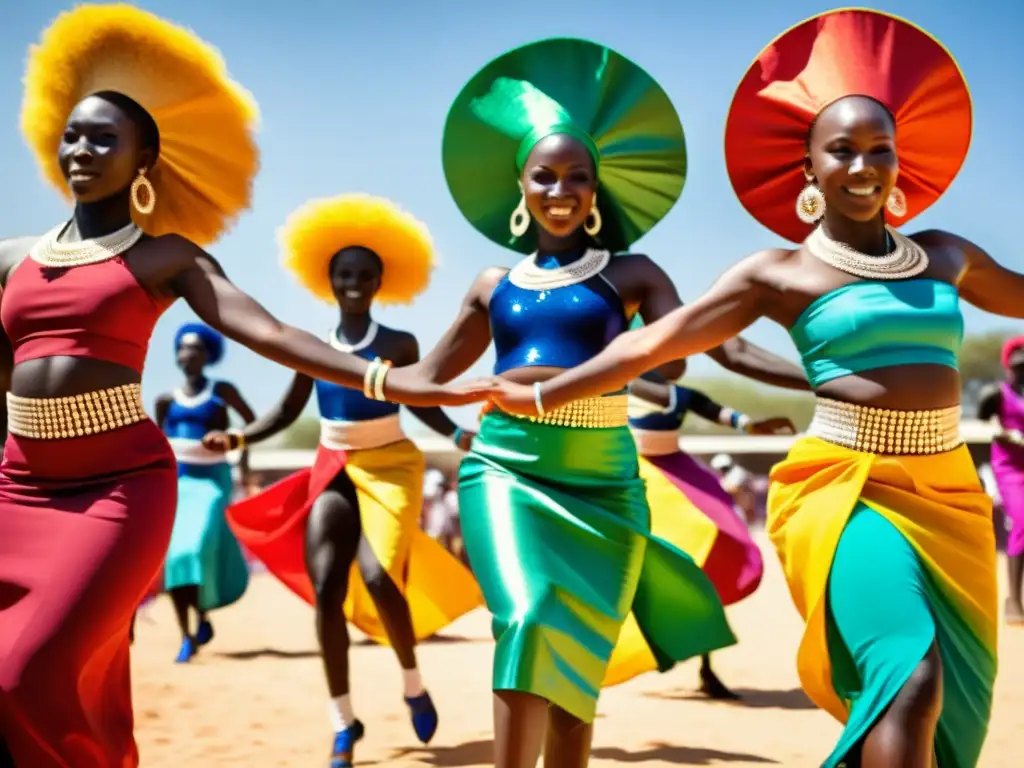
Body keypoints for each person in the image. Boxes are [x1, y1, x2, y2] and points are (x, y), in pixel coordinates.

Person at [487, 10, 1007, 766]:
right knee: (909, 676)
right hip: (847, 488)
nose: (863, 167)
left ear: (899, 162)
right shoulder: (777, 274)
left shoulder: (947, 254)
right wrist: (544, 394)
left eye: (879, 150)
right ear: (808, 169)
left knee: (949, 693)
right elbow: (655, 341)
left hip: (949, 492)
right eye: (843, 151)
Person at [0, 7, 483, 767]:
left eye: (104, 138)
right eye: (73, 134)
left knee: (26, 669)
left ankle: (408, 676)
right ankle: (342, 719)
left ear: (144, 162)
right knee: (24, 684)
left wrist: (398, 378)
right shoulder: (13, 259)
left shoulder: (165, 259)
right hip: (19, 488)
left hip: (114, 489)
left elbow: (269, 334)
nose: (81, 149)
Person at [414, 36, 808, 767]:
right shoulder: (492, 284)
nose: (561, 191)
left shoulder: (633, 274)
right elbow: (431, 376)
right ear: (519, 187)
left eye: (577, 178)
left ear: (597, 190)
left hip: (606, 479)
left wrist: (818, 377)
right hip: (506, 469)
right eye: (545, 177)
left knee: (578, 661)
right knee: (529, 619)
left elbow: (720, 345)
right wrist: (363, 377)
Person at [206, 194, 484, 767]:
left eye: (363, 274)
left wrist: (459, 437)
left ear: (380, 282)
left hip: (392, 466)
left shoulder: (399, 344)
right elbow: (284, 413)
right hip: (330, 468)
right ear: (328, 282)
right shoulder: (311, 347)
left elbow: (422, 404)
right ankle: (343, 722)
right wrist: (236, 439)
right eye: (343, 274)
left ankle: (412, 681)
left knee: (381, 576)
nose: (353, 282)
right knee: (327, 588)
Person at [620, 350, 793, 699]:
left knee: (713, 548)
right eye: (673, 350)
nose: (682, 358)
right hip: (633, 477)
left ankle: (705, 664)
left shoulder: (681, 396)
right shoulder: (616, 385)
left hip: (679, 477)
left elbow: (720, 413)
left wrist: (751, 425)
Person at [156, 322, 255, 663]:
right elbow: (156, 443)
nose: (189, 354)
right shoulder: (166, 400)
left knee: (198, 547)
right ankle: (188, 633)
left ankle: (201, 615)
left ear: (208, 354)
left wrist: (241, 464)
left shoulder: (221, 391)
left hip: (213, 482)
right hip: (177, 484)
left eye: (196, 347)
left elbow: (252, 423)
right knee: (176, 556)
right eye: (183, 347)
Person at [977, 336, 1024, 625]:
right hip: (1009, 468)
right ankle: (1013, 601)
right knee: (1022, 521)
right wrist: (1010, 435)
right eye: (1018, 366)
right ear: (1008, 366)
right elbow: (988, 424)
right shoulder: (997, 395)